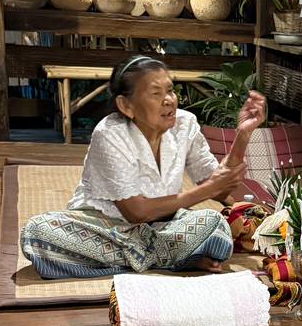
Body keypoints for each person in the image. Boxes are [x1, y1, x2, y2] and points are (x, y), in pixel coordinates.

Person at [21, 55, 266, 279]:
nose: (169, 100)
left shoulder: (185, 124)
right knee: (37, 232)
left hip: (161, 226)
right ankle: (172, 259)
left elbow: (219, 187)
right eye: (156, 93)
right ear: (126, 105)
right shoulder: (109, 134)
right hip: (104, 225)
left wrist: (243, 135)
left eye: (170, 90)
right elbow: (136, 213)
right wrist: (208, 190)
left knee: (215, 225)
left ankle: (140, 260)